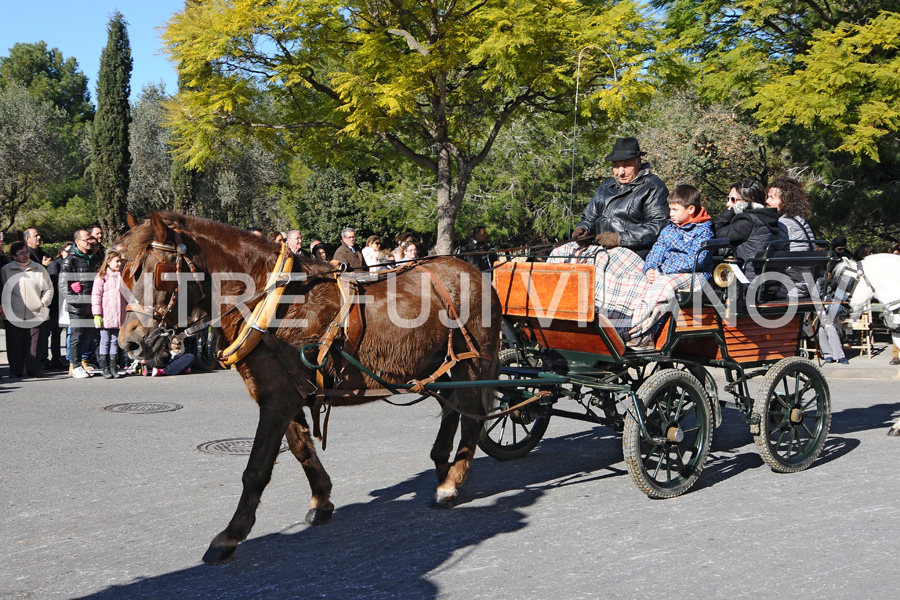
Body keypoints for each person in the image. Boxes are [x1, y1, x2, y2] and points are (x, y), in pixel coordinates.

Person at [628, 185, 714, 340]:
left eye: (675, 210)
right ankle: (624, 322)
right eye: (670, 209)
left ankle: (635, 330)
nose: (671, 214)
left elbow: (696, 260)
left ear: (690, 209)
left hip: (697, 275)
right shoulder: (669, 229)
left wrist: (663, 270)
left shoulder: (704, 231)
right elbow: (656, 250)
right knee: (637, 281)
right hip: (666, 273)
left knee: (664, 284)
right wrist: (651, 269)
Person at [569, 136, 669, 258]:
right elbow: (589, 218)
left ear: (639, 161)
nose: (620, 172)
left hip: (634, 254)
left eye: (626, 165)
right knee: (560, 254)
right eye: (616, 166)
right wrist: (583, 228)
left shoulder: (653, 187)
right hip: (599, 251)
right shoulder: (605, 187)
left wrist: (619, 239)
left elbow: (658, 226)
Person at [2, 241, 54, 378]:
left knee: (34, 345)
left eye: (26, 252)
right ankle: (15, 371)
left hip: (36, 313)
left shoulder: (39, 269)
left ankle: (33, 370)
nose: (25, 255)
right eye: (21, 253)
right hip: (13, 313)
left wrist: (43, 303)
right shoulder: (6, 270)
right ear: (13, 256)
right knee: (14, 345)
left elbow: (48, 288)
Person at [712, 179, 780, 278]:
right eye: (728, 199)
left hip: (748, 283)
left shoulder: (747, 221)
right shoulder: (765, 218)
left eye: (733, 200)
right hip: (765, 279)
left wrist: (727, 213)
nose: (728, 204)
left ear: (747, 201)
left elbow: (715, 233)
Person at [765, 176, 816, 299]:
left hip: (790, 287)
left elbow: (770, 252)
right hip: (807, 284)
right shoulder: (801, 221)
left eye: (772, 197)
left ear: (786, 200)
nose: (767, 201)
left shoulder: (783, 224)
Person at [62, 229, 102, 378]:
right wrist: (78, 300)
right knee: (76, 336)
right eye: (86, 239)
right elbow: (63, 286)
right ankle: (76, 365)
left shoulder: (94, 258)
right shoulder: (70, 260)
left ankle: (102, 363)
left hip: (93, 304)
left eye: (91, 239)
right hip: (78, 306)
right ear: (77, 242)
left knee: (96, 336)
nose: (90, 242)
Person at [91, 250, 126, 379]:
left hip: (119, 316)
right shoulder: (102, 277)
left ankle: (113, 366)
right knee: (105, 340)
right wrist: (97, 314)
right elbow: (96, 296)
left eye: (120, 261)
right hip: (106, 315)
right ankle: (104, 367)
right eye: (117, 261)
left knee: (115, 341)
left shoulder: (122, 276)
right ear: (108, 262)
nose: (119, 263)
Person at [44, 242, 71, 369]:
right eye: (67, 251)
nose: (69, 254)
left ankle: (59, 357)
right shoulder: (55, 264)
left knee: (61, 332)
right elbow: (53, 283)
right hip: (54, 304)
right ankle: (50, 358)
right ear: (61, 252)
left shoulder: (72, 263)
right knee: (51, 332)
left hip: (64, 303)